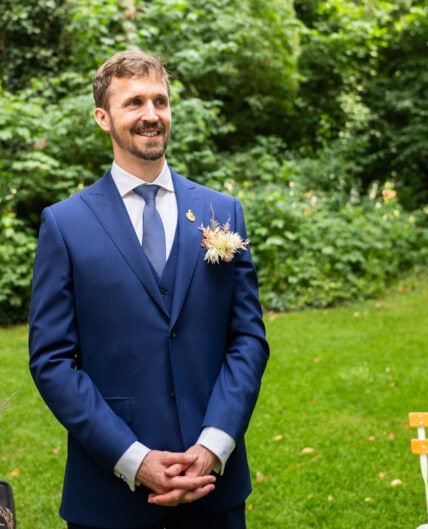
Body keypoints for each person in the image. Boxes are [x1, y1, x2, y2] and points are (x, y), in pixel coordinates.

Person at [28, 49, 269, 529]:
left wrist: (214, 445)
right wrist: (133, 459)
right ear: (103, 118)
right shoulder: (65, 225)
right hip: (110, 496)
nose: (151, 114)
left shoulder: (223, 212)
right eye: (134, 102)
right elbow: (52, 360)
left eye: (160, 101)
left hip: (212, 490)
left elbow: (247, 340)